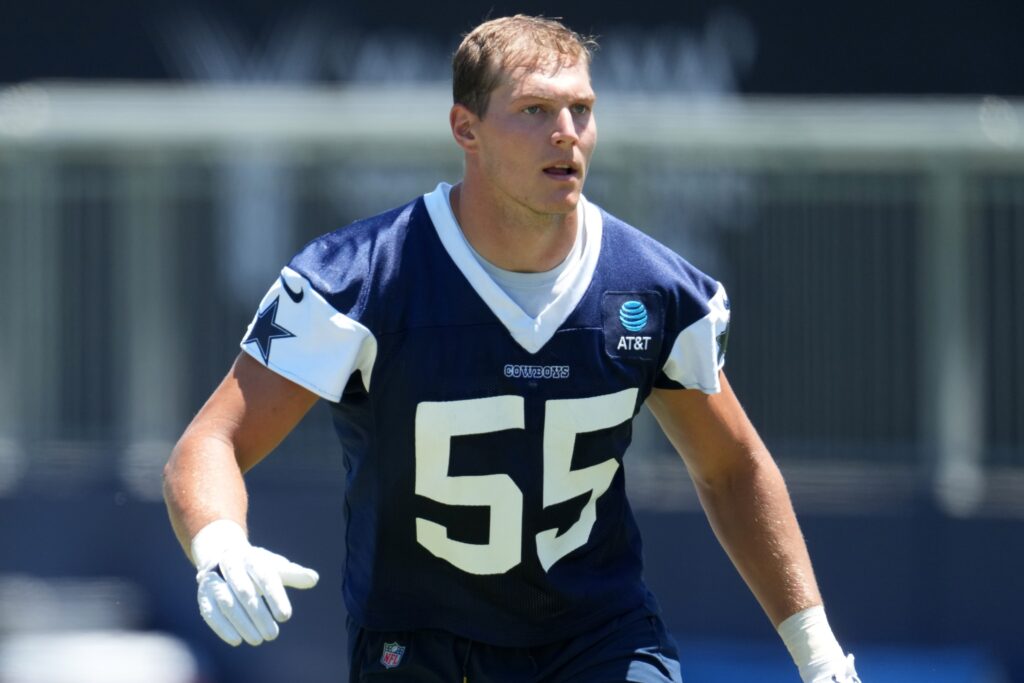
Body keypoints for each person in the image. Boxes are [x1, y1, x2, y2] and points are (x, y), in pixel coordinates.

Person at [163, 14, 861, 683]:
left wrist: (819, 652)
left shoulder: (652, 287)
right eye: (534, 111)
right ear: (465, 128)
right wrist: (220, 544)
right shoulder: (359, 278)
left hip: (599, 635)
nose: (567, 134)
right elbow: (212, 441)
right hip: (418, 639)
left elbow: (731, 467)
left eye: (582, 109)